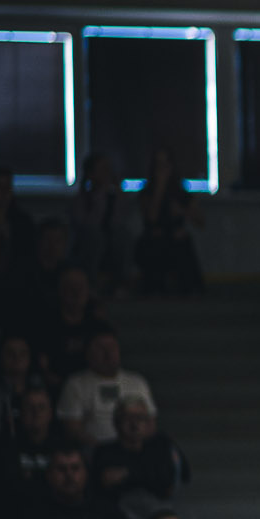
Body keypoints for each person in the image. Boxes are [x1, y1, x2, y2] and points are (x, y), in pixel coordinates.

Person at [55, 329, 156, 449]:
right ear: (88, 352)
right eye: (101, 348)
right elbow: (72, 428)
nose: (108, 353)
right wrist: (103, 450)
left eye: (112, 347)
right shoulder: (75, 384)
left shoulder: (137, 382)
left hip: (133, 449)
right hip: (93, 450)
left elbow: (150, 423)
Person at [134, 146, 204, 294]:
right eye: (159, 165)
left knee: (182, 242)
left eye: (165, 164)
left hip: (176, 237)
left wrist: (183, 211)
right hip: (154, 238)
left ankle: (187, 288)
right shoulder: (146, 192)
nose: (162, 169)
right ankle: (155, 287)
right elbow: (151, 218)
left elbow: (200, 222)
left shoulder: (181, 192)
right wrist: (159, 188)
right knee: (155, 242)